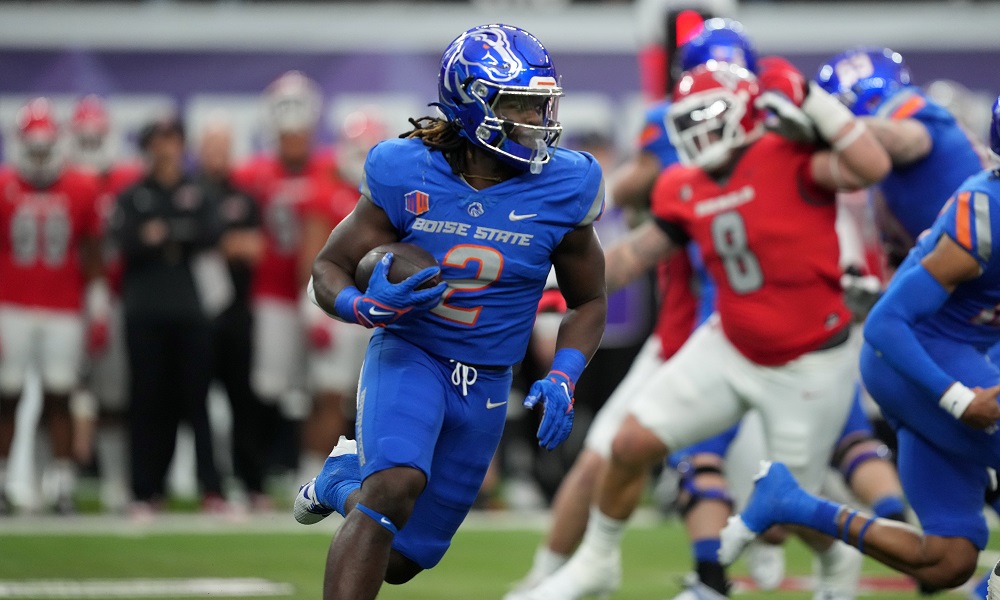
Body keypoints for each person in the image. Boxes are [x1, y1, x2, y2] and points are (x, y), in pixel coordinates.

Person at [507, 21, 905, 600]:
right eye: (688, 120)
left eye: (710, 114)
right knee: (629, 445)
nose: (700, 130)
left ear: (745, 107)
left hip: (808, 362)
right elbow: (633, 256)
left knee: (786, 511)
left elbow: (871, 167)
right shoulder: (681, 184)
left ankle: (839, 559)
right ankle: (595, 562)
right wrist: (544, 276)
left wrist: (812, 100)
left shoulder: (788, 154)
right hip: (728, 341)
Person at [293, 23, 607, 600]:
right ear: (469, 101)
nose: (536, 121)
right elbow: (327, 269)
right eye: (518, 105)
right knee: (393, 488)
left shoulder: (567, 182)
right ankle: (363, 484)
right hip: (414, 353)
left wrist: (563, 374)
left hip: (488, 378)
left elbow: (589, 301)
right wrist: (366, 307)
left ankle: (341, 482)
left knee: (405, 558)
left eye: (541, 106)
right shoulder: (404, 168)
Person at [719, 94, 1000, 596]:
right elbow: (888, 324)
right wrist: (959, 397)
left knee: (946, 560)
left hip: (962, 354)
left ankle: (792, 503)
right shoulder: (986, 214)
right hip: (916, 361)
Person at [110, 115, 227, 518]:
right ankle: (146, 490)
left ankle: (211, 487)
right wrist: (167, 236)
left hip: (190, 310)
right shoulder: (132, 195)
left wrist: (164, 234)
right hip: (144, 311)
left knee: (197, 402)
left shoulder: (197, 191)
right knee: (147, 403)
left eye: (172, 139)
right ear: (147, 147)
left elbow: (210, 232)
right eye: (158, 140)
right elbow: (126, 242)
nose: (165, 148)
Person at [0, 97, 104, 514]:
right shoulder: (5, 186)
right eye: (34, 148)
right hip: (11, 306)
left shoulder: (81, 186)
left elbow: (92, 250)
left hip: (63, 307)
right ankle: (6, 483)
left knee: (61, 393)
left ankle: (60, 483)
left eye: (46, 148)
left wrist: (97, 306)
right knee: (6, 395)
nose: (40, 157)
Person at [231, 70, 336, 484]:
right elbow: (230, 224)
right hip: (271, 292)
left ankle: (307, 471)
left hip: (319, 292)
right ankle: (262, 469)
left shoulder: (330, 169)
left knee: (321, 386)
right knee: (270, 386)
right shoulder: (252, 174)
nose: (294, 138)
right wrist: (239, 241)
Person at [66, 94, 144, 513]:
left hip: (114, 298)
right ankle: (46, 482)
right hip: (62, 300)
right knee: (58, 394)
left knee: (113, 398)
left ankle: (116, 481)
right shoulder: (59, 180)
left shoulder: (128, 180)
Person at [195, 117, 269, 511]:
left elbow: (255, 247)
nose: (217, 156)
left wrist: (211, 241)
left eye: (223, 148)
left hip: (238, 310)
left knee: (245, 399)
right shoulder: (191, 192)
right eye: (211, 148)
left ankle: (252, 482)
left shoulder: (244, 195)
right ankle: (210, 485)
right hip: (198, 314)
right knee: (198, 403)